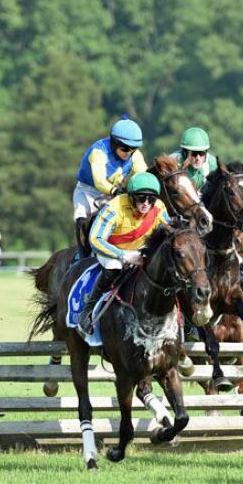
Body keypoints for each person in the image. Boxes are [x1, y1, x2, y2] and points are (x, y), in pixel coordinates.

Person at [78, 172, 170, 335]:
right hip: (110, 250)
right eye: (141, 198)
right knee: (115, 266)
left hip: (140, 249)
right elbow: (95, 239)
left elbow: (169, 231)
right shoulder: (115, 207)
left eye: (151, 199)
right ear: (131, 196)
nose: (146, 204)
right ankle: (88, 310)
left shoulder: (159, 207)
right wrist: (122, 255)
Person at [73, 115, 148, 258]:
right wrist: (114, 191)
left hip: (113, 193)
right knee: (81, 218)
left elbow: (142, 174)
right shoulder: (99, 151)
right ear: (114, 143)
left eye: (133, 149)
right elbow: (99, 181)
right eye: (125, 148)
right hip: (88, 191)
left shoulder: (134, 154)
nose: (129, 153)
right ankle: (82, 258)